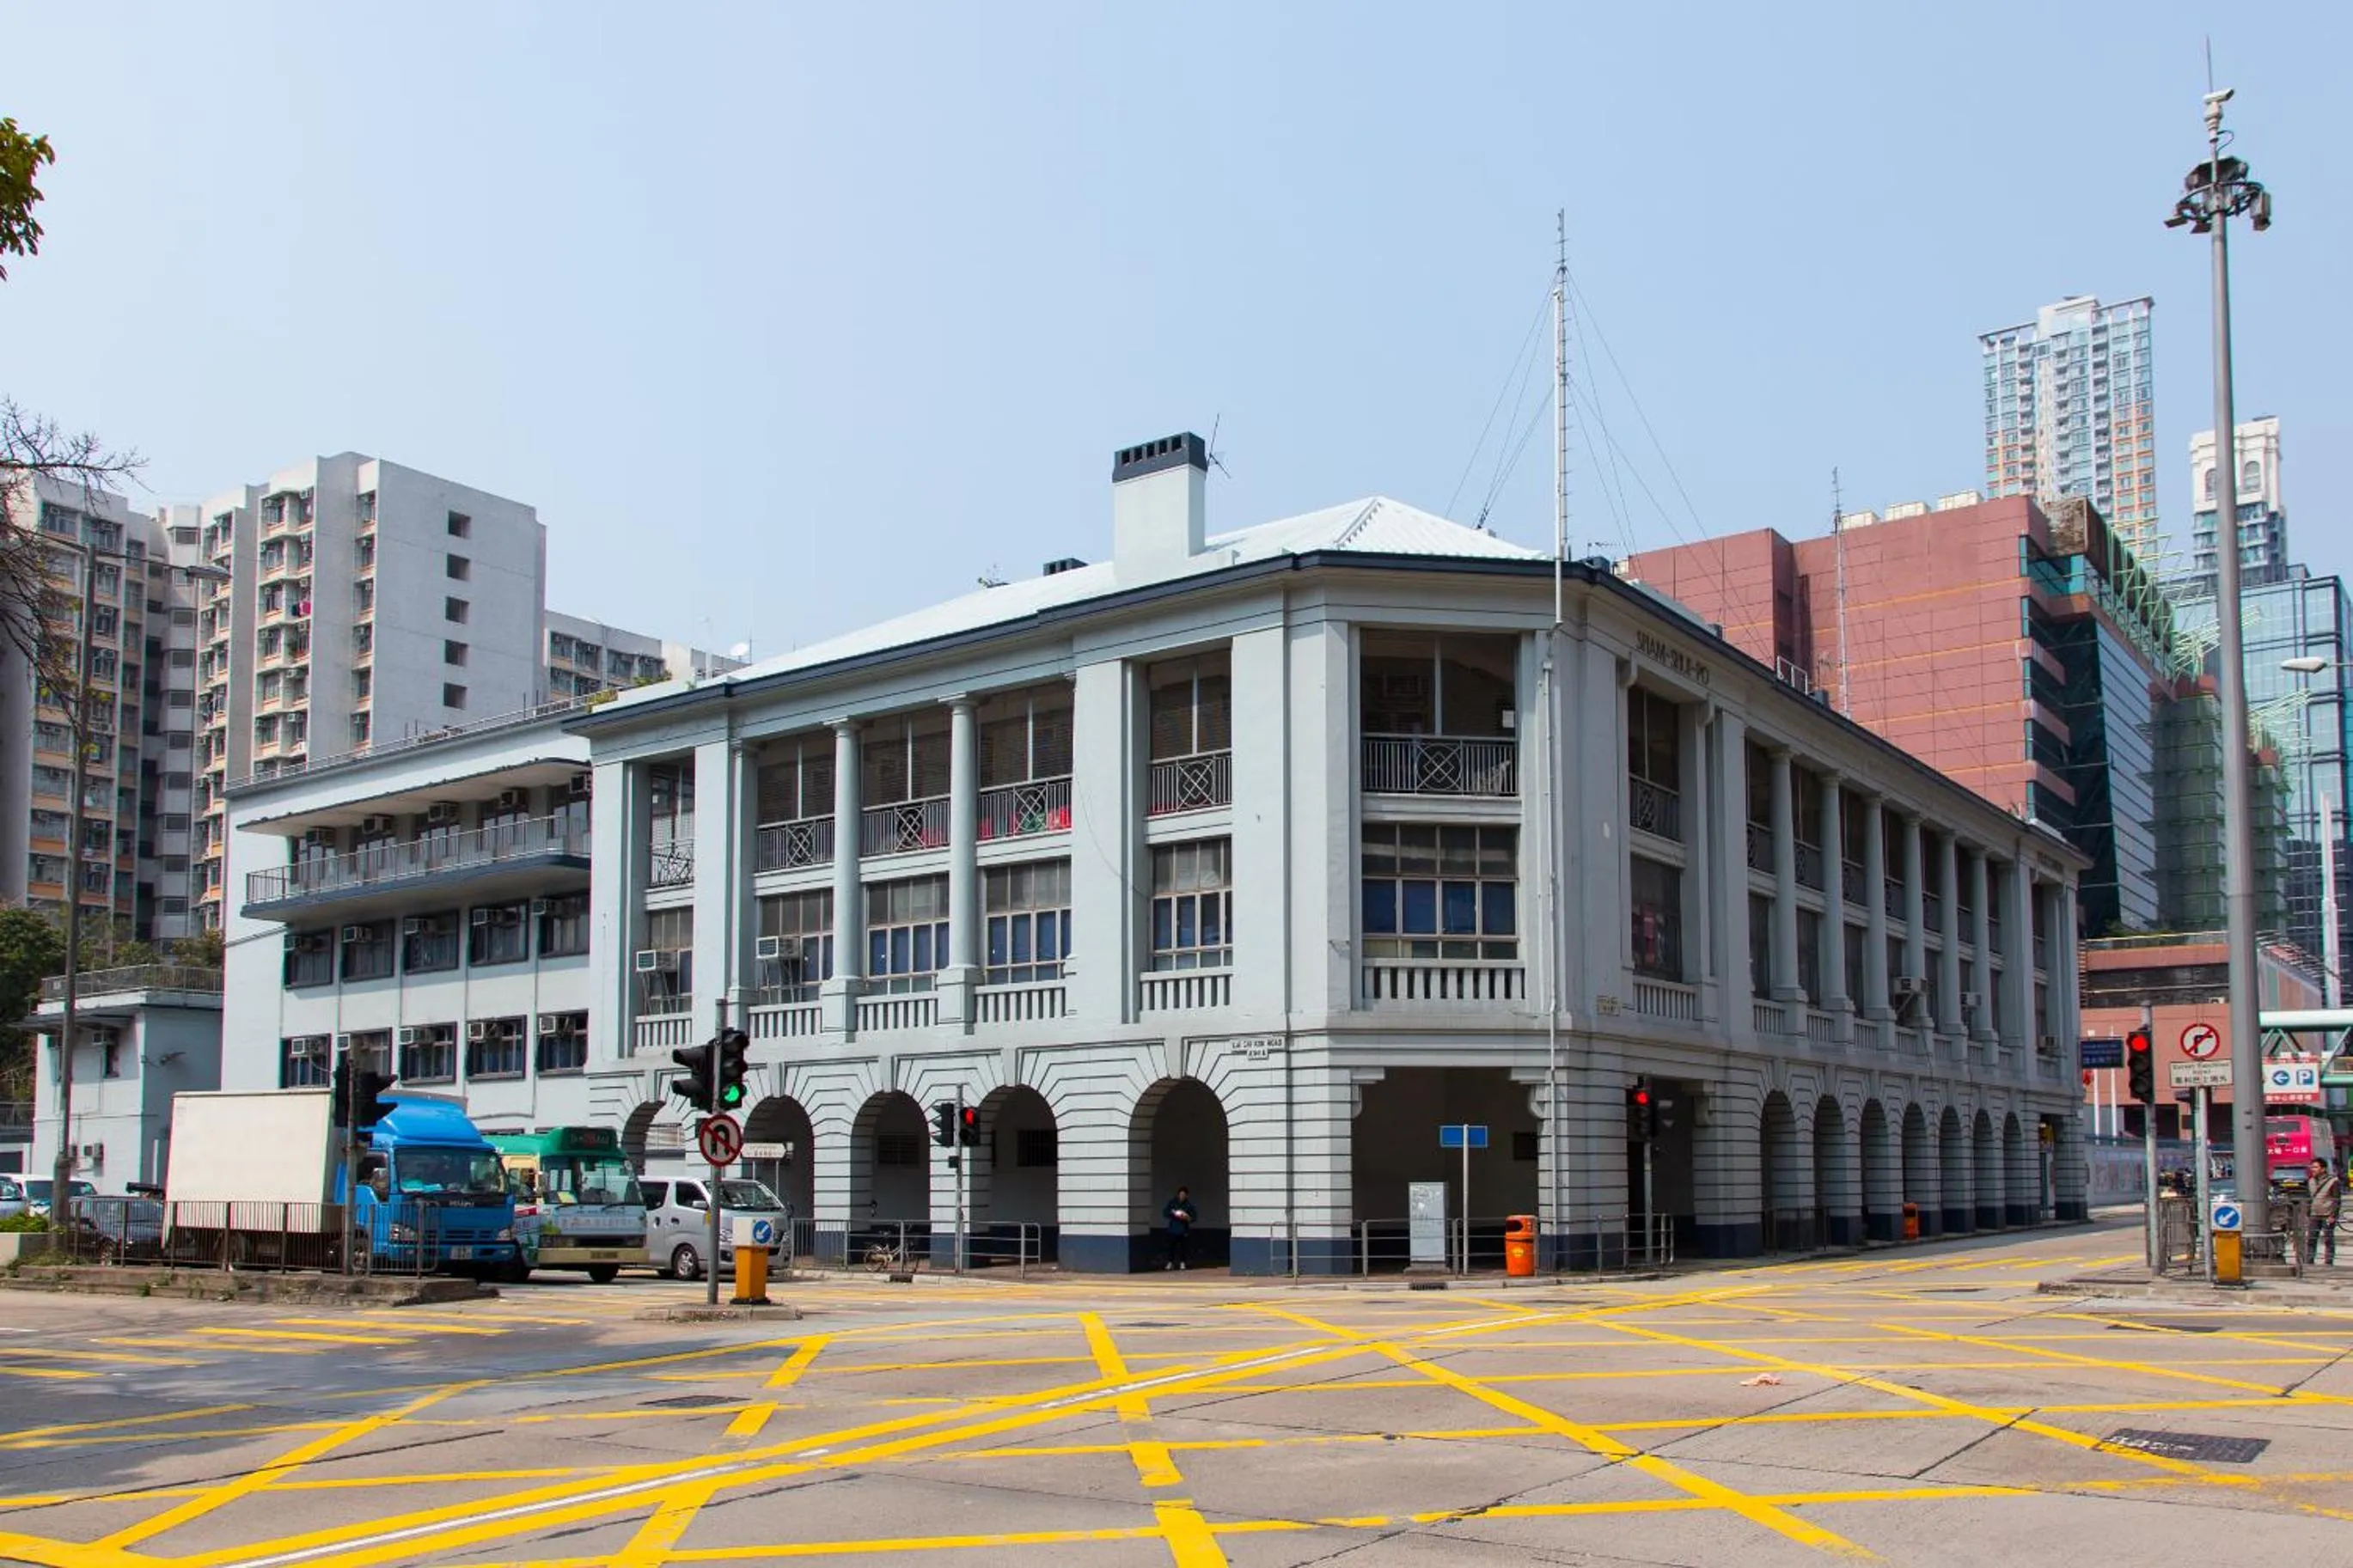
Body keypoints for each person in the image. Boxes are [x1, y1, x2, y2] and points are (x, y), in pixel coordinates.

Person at [2308, 1158, 2341, 1267]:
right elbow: (2309, 1198)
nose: (2313, 1169)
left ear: (2323, 1169)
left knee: (2328, 1239)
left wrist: (2333, 1215)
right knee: (2311, 1238)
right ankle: (2309, 1259)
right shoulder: (2311, 1181)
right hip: (2314, 1214)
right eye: (2312, 1167)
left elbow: (2337, 1199)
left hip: (2327, 1215)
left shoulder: (2333, 1181)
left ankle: (2328, 1261)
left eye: (2316, 1167)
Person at [1163, 1186, 1197, 1270]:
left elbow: (1193, 1217)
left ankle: (1183, 1262)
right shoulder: (1173, 1203)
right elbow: (1165, 1212)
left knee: (1183, 1247)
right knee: (1171, 1247)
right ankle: (1170, 1262)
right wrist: (1173, 1213)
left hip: (1183, 1230)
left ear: (1186, 1195)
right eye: (1181, 1194)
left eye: (1184, 1195)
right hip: (1173, 1229)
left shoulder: (1189, 1205)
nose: (1182, 1196)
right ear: (1178, 1195)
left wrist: (1187, 1217)